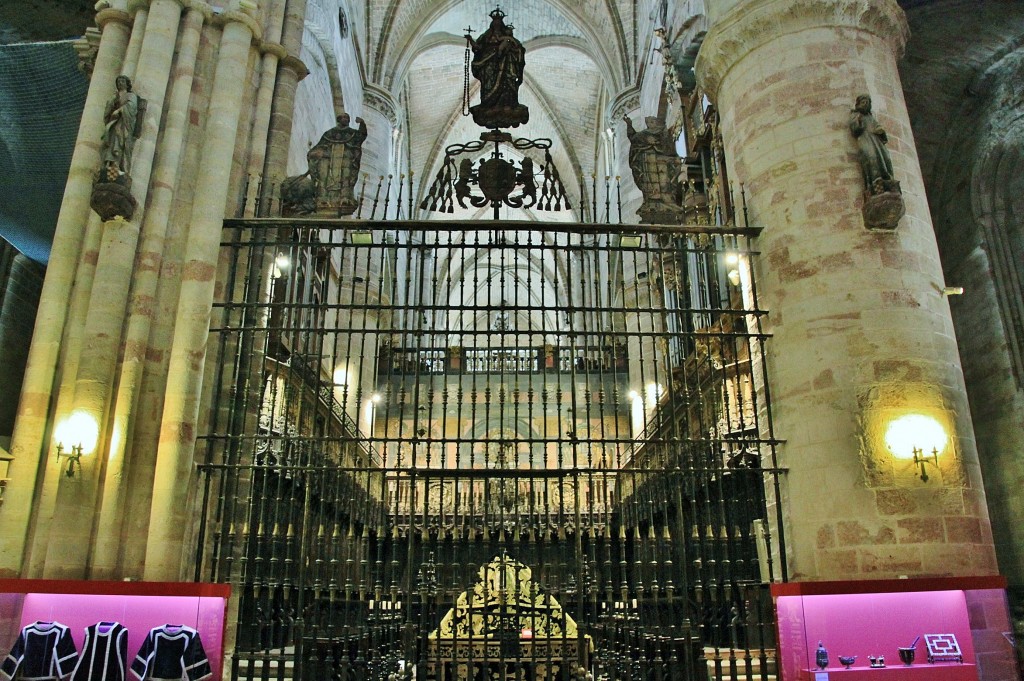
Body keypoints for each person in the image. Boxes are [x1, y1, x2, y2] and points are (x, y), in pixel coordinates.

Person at [465, 8, 528, 128]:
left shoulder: (508, 38)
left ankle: (507, 105)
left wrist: (511, 49)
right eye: (495, 24)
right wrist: (470, 40)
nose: (497, 26)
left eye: (499, 24)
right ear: (492, 24)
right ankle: (489, 105)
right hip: (489, 65)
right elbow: (478, 47)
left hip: (506, 64)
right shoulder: (486, 36)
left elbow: (518, 49)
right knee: (488, 85)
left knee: (507, 86)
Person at [307, 113, 367, 211]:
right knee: (324, 177)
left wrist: (362, 124)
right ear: (339, 120)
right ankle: (323, 199)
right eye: (343, 118)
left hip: (346, 159)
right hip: (328, 160)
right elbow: (320, 146)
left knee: (346, 177)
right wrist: (314, 153)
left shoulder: (352, 133)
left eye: (347, 118)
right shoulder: (329, 133)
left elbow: (362, 136)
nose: (345, 119)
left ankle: (345, 198)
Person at [624, 115, 682, 215]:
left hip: (660, 160)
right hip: (647, 159)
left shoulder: (663, 132)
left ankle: (667, 200)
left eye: (653, 122)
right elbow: (633, 138)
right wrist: (629, 125)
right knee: (650, 180)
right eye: (649, 122)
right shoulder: (644, 134)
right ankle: (652, 201)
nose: (651, 124)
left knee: (664, 180)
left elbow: (668, 147)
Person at [849, 94, 897, 194]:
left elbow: (878, 127)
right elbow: (855, 129)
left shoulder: (870, 117)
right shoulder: (856, 115)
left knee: (886, 158)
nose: (866, 104)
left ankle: (887, 181)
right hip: (865, 140)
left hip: (876, 142)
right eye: (863, 102)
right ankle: (874, 183)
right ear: (858, 104)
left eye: (868, 102)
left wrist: (881, 131)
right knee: (871, 157)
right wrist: (858, 119)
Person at [100, 75, 140, 182]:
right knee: (110, 143)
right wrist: (113, 100)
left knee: (119, 143)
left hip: (123, 126)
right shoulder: (116, 97)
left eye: (123, 81)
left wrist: (120, 110)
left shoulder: (130, 95)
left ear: (127, 84)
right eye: (118, 81)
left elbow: (132, 107)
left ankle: (116, 168)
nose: (120, 83)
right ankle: (109, 166)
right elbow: (108, 112)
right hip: (114, 125)